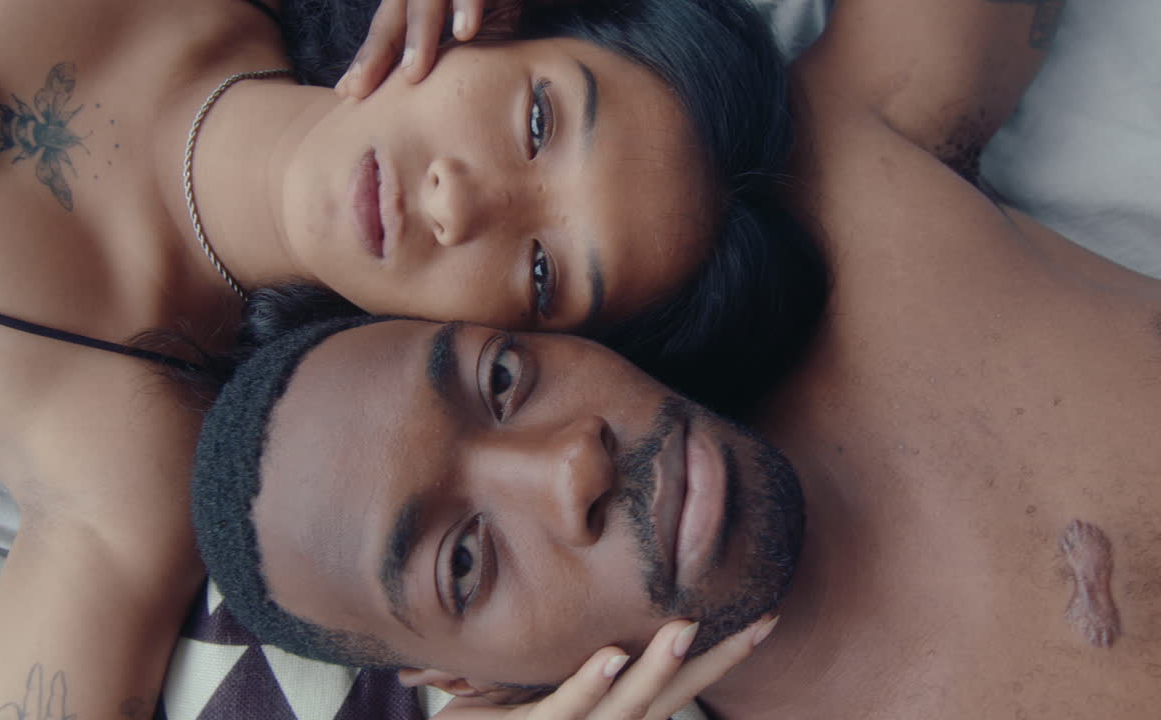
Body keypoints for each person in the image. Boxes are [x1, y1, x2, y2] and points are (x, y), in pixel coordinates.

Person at [190, 2, 1161, 718]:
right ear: (474, 688)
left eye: (499, 381)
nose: (571, 466)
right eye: (465, 561)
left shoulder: (841, 196)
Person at [0, 0, 821, 717]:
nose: (460, 206)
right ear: (496, 24)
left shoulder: (127, 468)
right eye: (536, 120)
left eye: (540, 273)